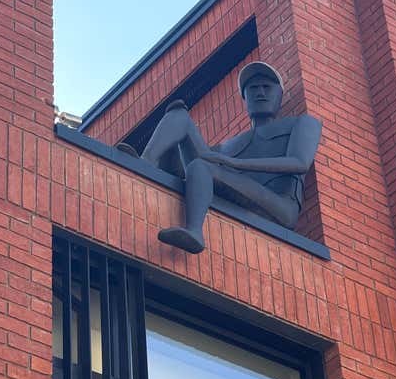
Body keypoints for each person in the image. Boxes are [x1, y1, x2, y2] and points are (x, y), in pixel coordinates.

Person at [132, 61, 321, 254]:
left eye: (267, 87)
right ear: (245, 99)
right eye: (253, 89)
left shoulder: (302, 123)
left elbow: (300, 162)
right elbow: (186, 170)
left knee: (202, 167)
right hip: (239, 196)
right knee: (180, 116)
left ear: (280, 94)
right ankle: (144, 163)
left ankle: (194, 231)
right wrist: (172, 145)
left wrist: (235, 162)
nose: (260, 93)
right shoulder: (231, 144)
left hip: (280, 207)